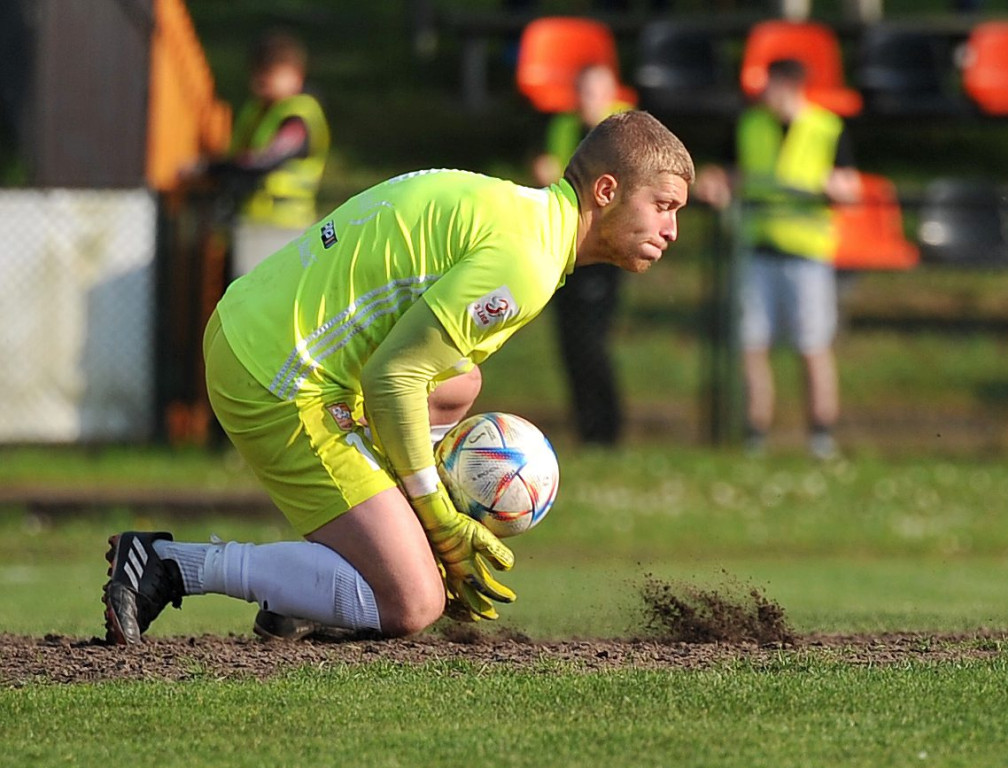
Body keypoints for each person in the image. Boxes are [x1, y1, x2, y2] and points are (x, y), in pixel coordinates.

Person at [102, 110, 695, 645]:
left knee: (460, 384)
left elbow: (418, 374)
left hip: (253, 325)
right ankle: (170, 563)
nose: (672, 230)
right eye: (663, 206)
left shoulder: (521, 213)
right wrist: (438, 521)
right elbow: (393, 380)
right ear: (607, 190)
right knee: (413, 601)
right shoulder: (528, 263)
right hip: (273, 374)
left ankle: (322, 584)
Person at [696, 59, 859, 460]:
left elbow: (850, 186)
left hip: (806, 254)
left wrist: (837, 188)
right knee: (753, 345)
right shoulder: (749, 125)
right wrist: (714, 185)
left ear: (789, 85)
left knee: (813, 346)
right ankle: (756, 434)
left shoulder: (827, 128)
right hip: (757, 250)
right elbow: (724, 174)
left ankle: (821, 435)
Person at [532, 64, 633, 445]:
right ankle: (585, 428)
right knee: (570, 341)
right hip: (564, 245)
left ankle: (607, 429)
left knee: (593, 342)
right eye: (583, 91)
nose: (587, 101)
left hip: (602, 246)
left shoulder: (624, 132)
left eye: (595, 92)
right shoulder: (562, 127)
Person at [187, 31, 330, 278]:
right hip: (253, 221)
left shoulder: (298, 116)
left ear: (294, 74)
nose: (260, 82)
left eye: (269, 74)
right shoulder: (259, 110)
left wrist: (210, 168)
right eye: (258, 73)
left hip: (283, 227)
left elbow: (264, 160)